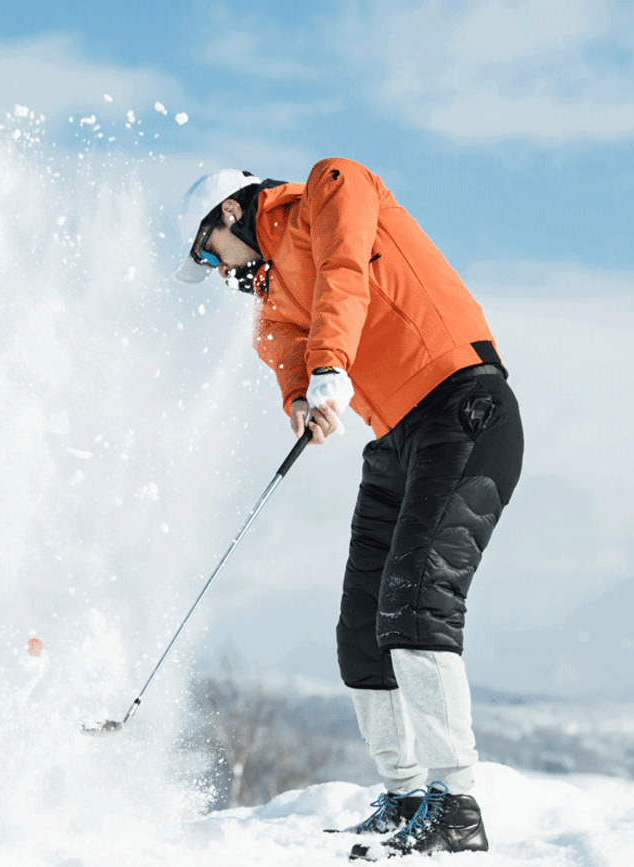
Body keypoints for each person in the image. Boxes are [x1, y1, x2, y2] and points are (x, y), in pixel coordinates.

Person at [173, 161, 523, 859]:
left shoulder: (331, 187)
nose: (216, 269)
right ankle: (404, 793)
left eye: (210, 251)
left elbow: (344, 268)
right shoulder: (271, 299)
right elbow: (283, 350)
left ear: (232, 213)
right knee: (363, 627)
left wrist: (330, 359)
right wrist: (301, 397)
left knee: (416, 602)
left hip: (464, 407)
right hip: (397, 438)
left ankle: (457, 806)